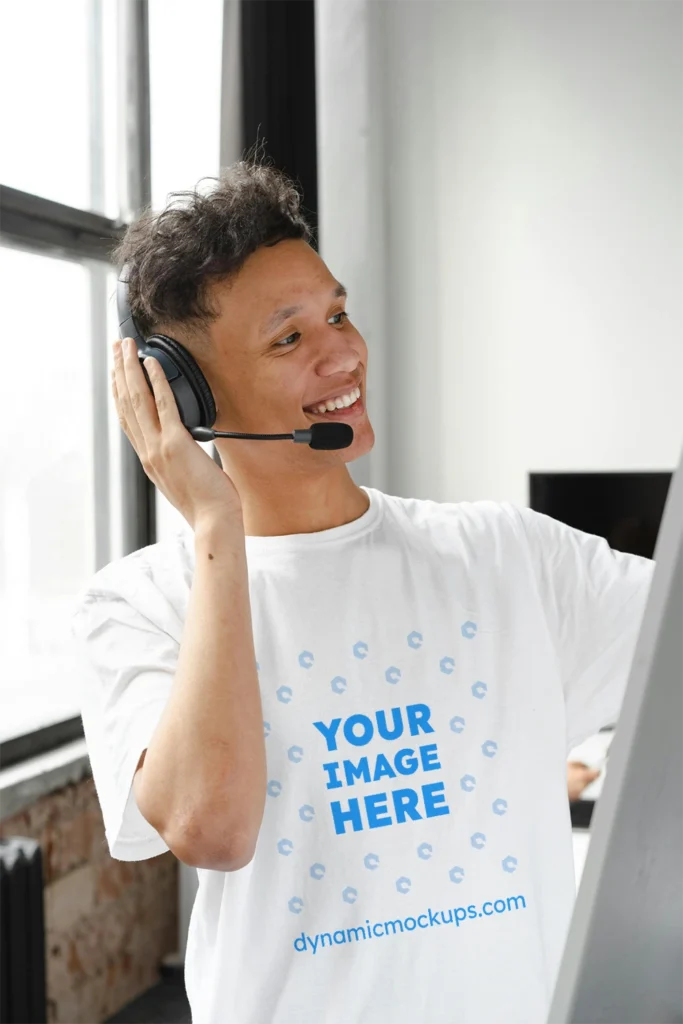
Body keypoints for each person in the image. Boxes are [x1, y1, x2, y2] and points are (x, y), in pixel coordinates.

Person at [71, 158, 655, 1024]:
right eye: (288, 338)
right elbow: (212, 827)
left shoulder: (508, 556)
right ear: (186, 396)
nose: (341, 350)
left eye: (337, 313)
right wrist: (215, 530)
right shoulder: (138, 606)